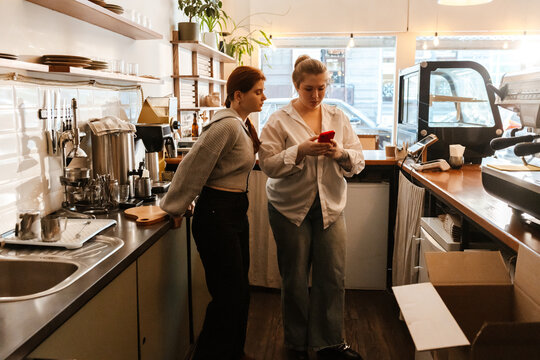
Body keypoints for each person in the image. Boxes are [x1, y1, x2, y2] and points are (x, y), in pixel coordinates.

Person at [258, 55, 365, 360]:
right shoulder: (278, 119)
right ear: (296, 86)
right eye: (308, 89)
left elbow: (358, 161)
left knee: (332, 274)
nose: (316, 95)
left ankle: (329, 343)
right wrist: (300, 150)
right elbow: (268, 165)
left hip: (330, 206)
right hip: (289, 208)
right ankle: (296, 344)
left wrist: (340, 152)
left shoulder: (338, 117)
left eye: (321, 88)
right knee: (294, 278)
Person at [160, 66, 266, 360]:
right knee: (229, 296)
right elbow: (193, 167)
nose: (264, 97)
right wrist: (176, 207)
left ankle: (233, 353)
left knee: (239, 294)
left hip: (233, 213)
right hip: (217, 215)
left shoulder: (242, 125)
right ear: (238, 95)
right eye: (258, 92)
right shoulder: (226, 126)